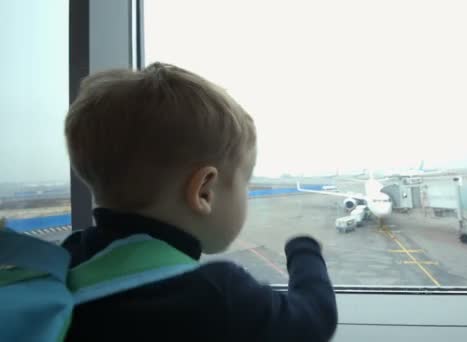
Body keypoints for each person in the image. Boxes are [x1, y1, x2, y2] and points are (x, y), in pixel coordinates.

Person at [62, 62, 337, 341]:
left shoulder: (65, 262)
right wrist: (305, 251)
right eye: (245, 181)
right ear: (204, 191)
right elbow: (315, 319)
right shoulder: (218, 296)